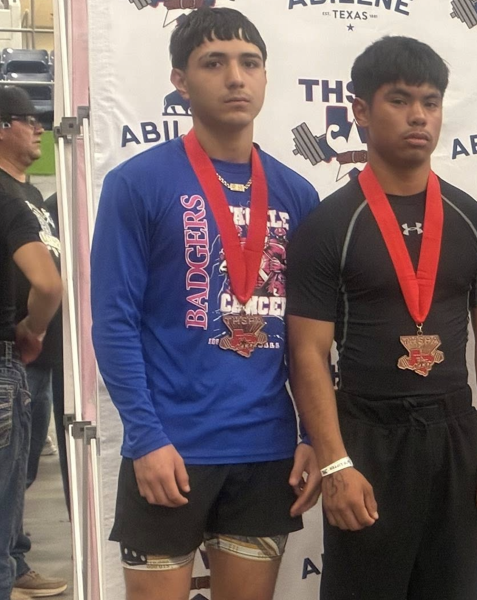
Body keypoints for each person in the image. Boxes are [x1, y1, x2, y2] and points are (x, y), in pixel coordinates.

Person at [91, 9, 321, 600]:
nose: (235, 78)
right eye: (213, 63)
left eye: (250, 63)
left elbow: (310, 337)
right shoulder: (136, 183)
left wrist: (313, 435)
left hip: (267, 450)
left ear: (267, 77)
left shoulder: (298, 194)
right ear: (180, 80)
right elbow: (114, 321)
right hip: (170, 448)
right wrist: (143, 437)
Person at [286, 36, 477, 600]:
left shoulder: (476, 223)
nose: (419, 115)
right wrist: (337, 463)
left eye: (431, 101)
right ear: (360, 110)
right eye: (399, 100)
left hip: (455, 437)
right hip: (368, 439)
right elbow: (307, 354)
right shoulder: (329, 225)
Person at [0, 86, 68, 599]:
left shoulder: (29, 194)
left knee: (18, 471)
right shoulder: (7, 196)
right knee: (9, 475)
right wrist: (32, 326)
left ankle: (14, 558)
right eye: (27, 119)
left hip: (31, 356)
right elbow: (47, 282)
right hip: (18, 348)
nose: (39, 128)